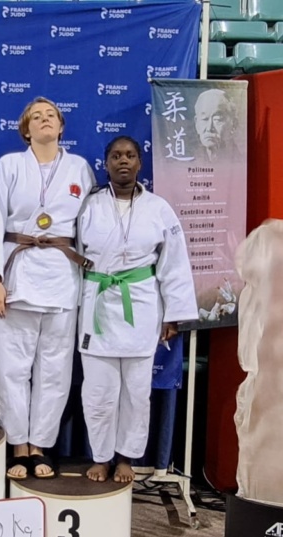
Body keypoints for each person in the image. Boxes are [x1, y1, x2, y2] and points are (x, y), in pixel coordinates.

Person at [0, 97, 95, 479]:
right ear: (26, 129)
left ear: (61, 127)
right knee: (12, 367)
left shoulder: (79, 168)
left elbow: (88, 228)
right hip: (17, 275)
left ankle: (40, 445)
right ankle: (17, 445)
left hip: (62, 277)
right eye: (36, 118)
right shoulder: (11, 165)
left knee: (55, 370)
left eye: (51, 117)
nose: (44, 121)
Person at [77, 136, 198, 483]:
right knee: (98, 393)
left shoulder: (159, 208)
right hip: (97, 304)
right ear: (106, 163)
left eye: (130, 155)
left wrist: (173, 314)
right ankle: (100, 456)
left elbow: (173, 263)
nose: (123, 161)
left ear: (140, 163)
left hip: (142, 304)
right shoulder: (88, 206)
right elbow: (70, 253)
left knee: (136, 393)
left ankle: (127, 457)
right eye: (116, 156)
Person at [192, 89, 240, 164]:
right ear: (196, 124)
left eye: (217, 119)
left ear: (234, 124)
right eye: (204, 119)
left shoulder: (242, 163)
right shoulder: (189, 164)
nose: (209, 128)